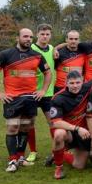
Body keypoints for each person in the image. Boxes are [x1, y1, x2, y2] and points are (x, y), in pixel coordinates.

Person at [0, 28, 52, 172]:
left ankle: (21, 157)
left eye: (30, 37)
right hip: (13, 98)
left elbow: (48, 73)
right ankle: (12, 160)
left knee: (25, 127)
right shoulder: (6, 54)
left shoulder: (37, 55)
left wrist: (43, 90)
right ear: (18, 38)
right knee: (12, 127)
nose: (28, 39)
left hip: (30, 98)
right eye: (25, 36)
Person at [49, 71, 92, 179]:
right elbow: (56, 122)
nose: (75, 86)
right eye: (72, 83)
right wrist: (77, 128)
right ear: (66, 83)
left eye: (78, 82)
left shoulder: (88, 86)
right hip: (69, 131)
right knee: (59, 134)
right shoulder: (58, 98)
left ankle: (59, 155)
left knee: (79, 166)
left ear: (83, 81)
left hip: (84, 132)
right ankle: (59, 168)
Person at [28, 23, 57, 162]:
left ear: (50, 36)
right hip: (31, 92)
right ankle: (33, 151)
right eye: (42, 34)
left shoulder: (52, 48)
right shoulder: (31, 48)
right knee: (30, 123)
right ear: (37, 34)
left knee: (52, 122)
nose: (45, 37)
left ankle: (54, 151)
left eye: (47, 34)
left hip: (48, 92)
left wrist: (57, 48)